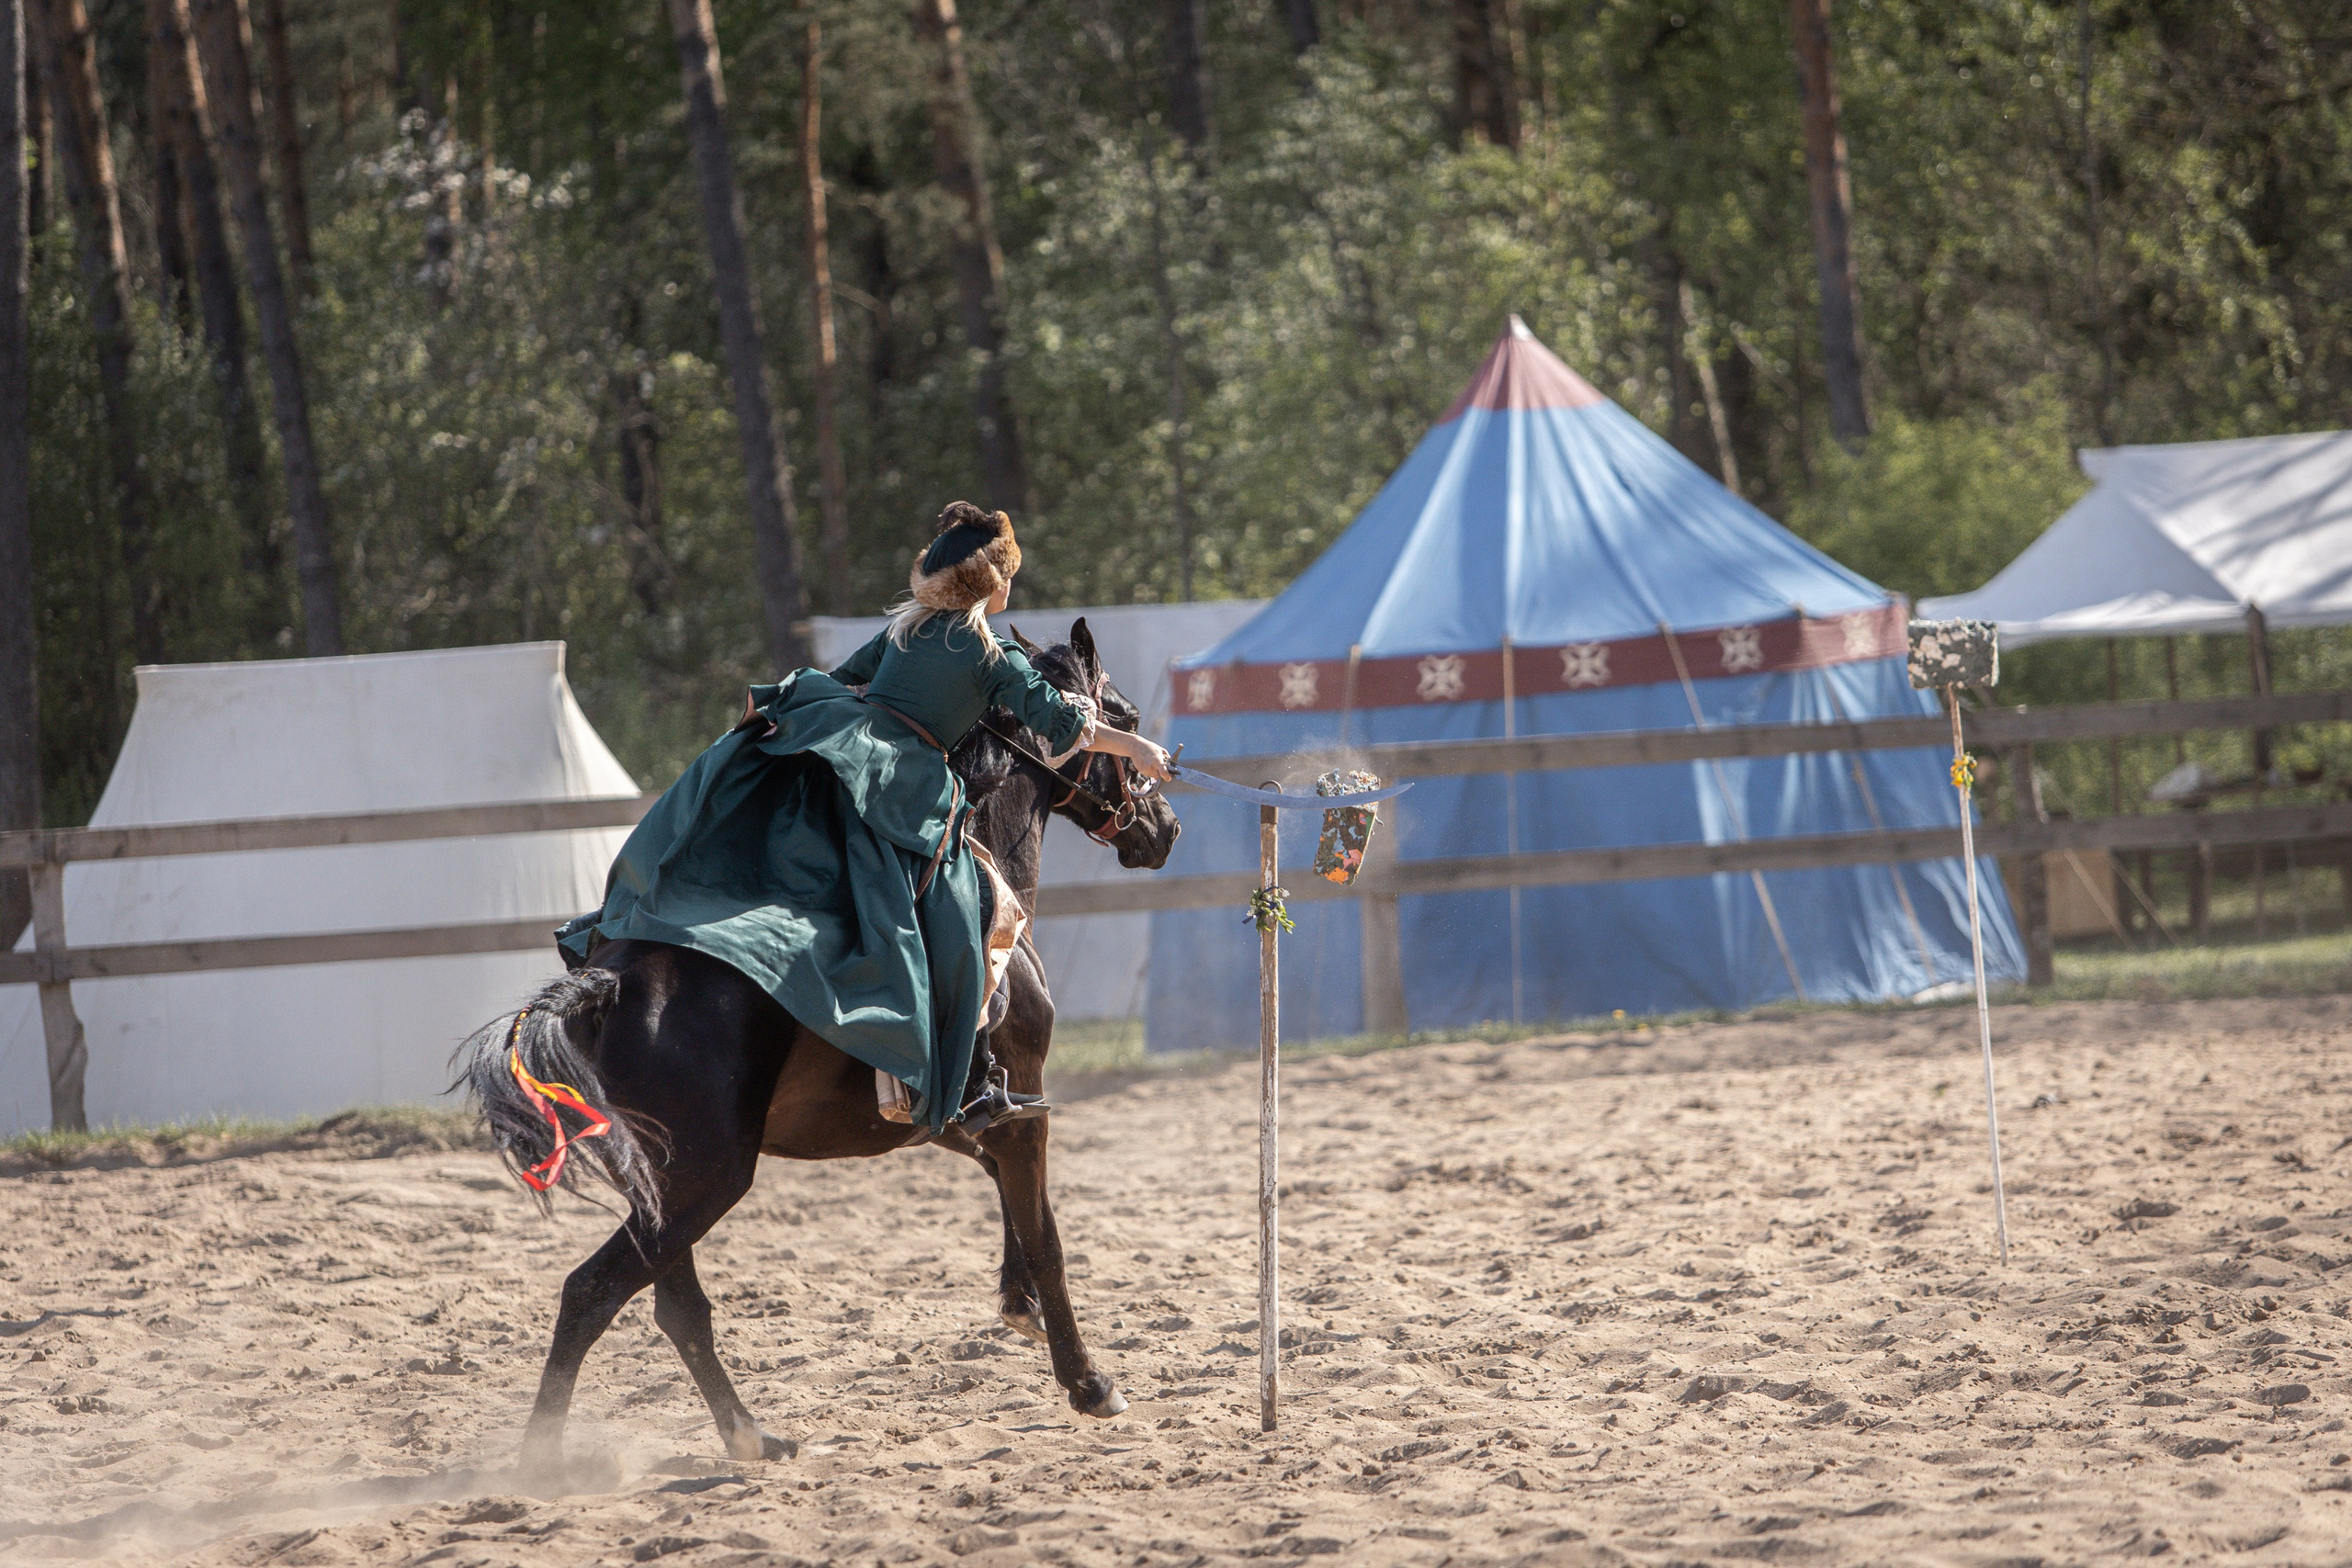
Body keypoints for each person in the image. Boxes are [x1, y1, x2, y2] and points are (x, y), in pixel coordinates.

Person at [560, 502, 1171, 1131]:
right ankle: (971, 1073)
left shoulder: (906, 627)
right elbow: (1066, 726)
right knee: (974, 908)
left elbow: (846, 679)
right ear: (991, 582)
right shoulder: (992, 658)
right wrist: (1137, 748)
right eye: (1009, 574)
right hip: (904, 784)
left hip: (842, 754)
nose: (1013, 585)